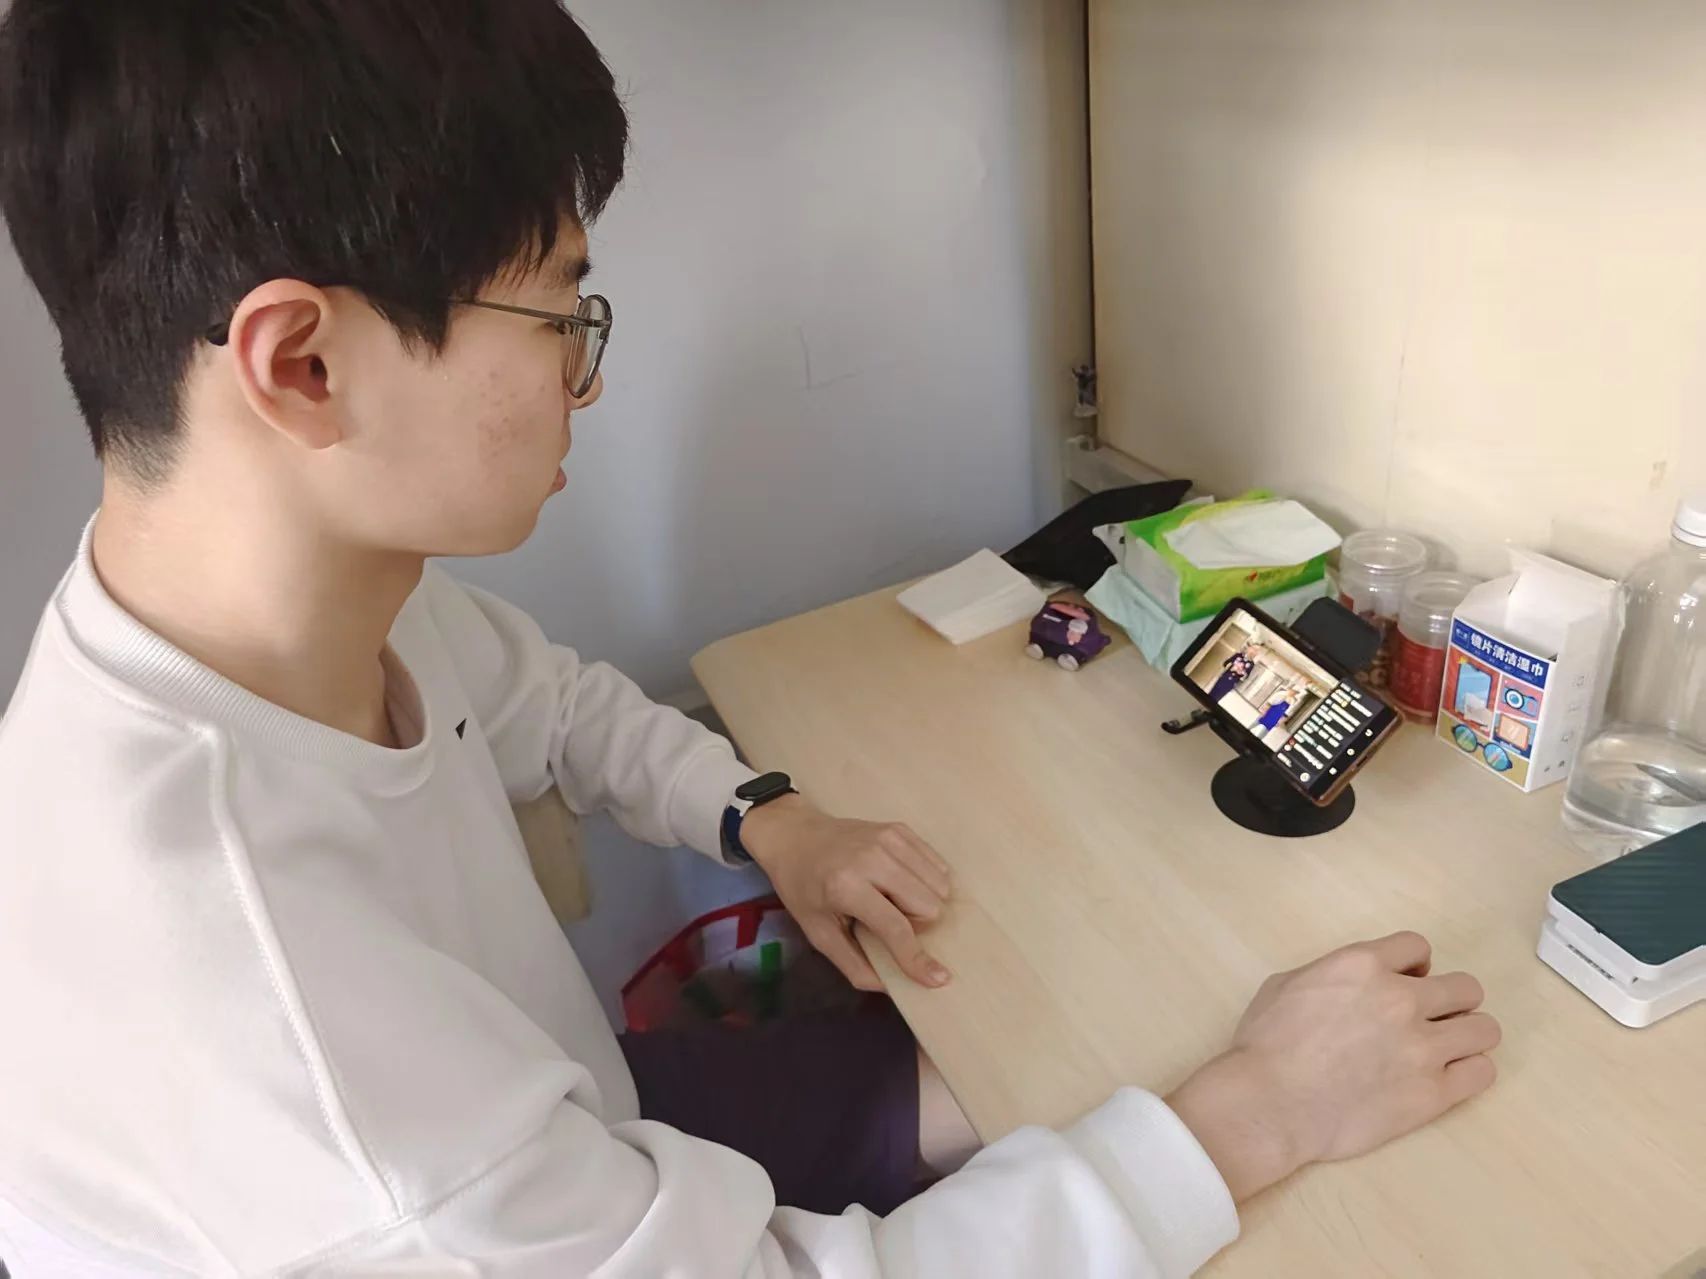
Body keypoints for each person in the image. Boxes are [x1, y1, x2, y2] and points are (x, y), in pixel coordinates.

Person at [0, 3, 1502, 1275]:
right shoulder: (311, 1081)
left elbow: (551, 708)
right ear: (303, 365)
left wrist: (766, 816)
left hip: (588, 1122)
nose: (586, 381)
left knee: (1041, 1057)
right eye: (560, 316)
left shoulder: (287, 609)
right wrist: (1266, 1113)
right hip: (554, 1187)